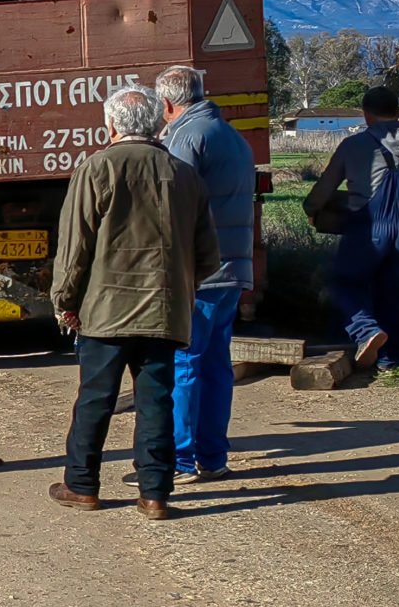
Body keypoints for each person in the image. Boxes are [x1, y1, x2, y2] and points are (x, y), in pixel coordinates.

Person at [51, 86, 220, 520]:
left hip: (104, 311)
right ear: (158, 122)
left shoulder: (96, 168)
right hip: (163, 311)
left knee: (95, 400)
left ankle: (82, 485)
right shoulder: (183, 174)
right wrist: (182, 290)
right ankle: (155, 493)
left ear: (110, 126)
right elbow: (208, 255)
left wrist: (64, 300)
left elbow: (75, 247)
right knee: (156, 402)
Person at [303, 85, 399, 367]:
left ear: (366, 115)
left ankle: (366, 331)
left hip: (368, 228)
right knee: (393, 294)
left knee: (343, 283)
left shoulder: (353, 146)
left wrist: (313, 211)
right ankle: (390, 360)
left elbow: (321, 193)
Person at [156, 64, 257, 480]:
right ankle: (213, 456)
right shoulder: (232, 136)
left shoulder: (186, 137)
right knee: (216, 364)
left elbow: (172, 203)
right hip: (234, 266)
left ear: (167, 103)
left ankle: (179, 457)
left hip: (200, 271)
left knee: (184, 362)